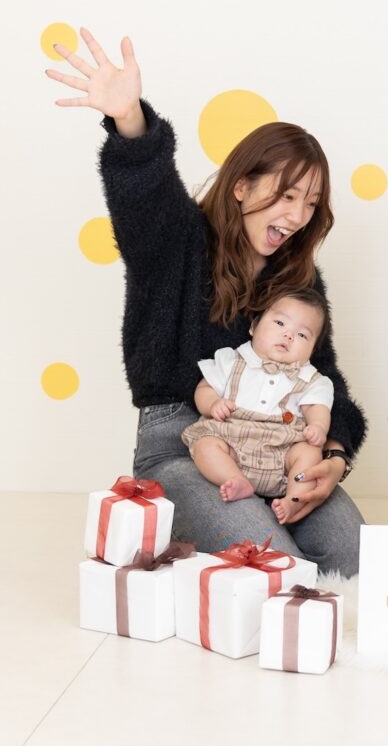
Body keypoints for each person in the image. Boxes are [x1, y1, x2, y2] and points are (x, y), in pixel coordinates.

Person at [45, 28, 366, 575]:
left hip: (285, 448)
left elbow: (325, 380)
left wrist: (333, 458)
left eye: (311, 203)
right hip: (182, 444)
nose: (296, 215)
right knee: (278, 569)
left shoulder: (300, 282)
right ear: (242, 186)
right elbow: (146, 197)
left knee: (358, 557)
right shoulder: (179, 241)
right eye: (286, 194)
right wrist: (130, 120)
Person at [183, 288, 335, 525]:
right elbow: (204, 388)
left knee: (309, 453)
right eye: (280, 323)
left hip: (282, 448)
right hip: (231, 437)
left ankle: (293, 500)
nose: (288, 335)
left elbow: (317, 407)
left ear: (313, 349)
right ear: (254, 326)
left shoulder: (311, 378)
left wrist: (318, 426)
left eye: (302, 335)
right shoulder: (231, 360)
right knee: (206, 444)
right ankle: (235, 479)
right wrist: (212, 404)